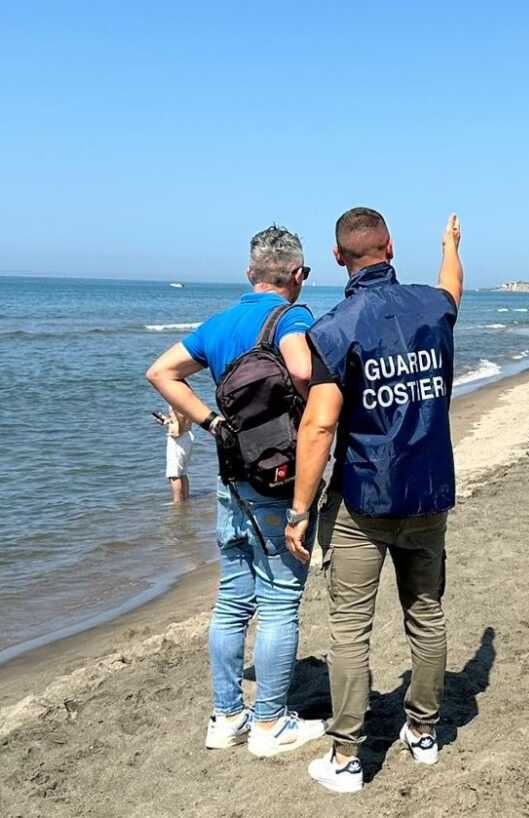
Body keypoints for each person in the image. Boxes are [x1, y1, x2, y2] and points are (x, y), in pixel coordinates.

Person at [286, 207, 463, 794]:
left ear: (339, 258)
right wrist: (450, 245)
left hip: (364, 500)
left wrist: (299, 510)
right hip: (428, 495)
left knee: (350, 629)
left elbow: (317, 428)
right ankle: (424, 732)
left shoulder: (334, 330)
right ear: (390, 248)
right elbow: (452, 288)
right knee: (426, 615)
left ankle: (345, 758)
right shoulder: (433, 307)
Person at [146, 225, 326, 758]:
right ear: (299, 276)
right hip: (281, 482)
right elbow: (299, 366)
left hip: (232, 482)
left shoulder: (220, 324)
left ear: (249, 273)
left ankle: (226, 717)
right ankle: (270, 724)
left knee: (230, 602)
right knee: (280, 602)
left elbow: (162, 371)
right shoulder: (292, 317)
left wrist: (212, 423)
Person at [161, 408, 194, 502]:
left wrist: (177, 431)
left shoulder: (177, 394)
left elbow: (180, 414)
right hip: (187, 434)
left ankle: (178, 504)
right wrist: (169, 421)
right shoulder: (188, 394)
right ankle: (186, 500)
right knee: (182, 473)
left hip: (179, 437)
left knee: (174, 474)